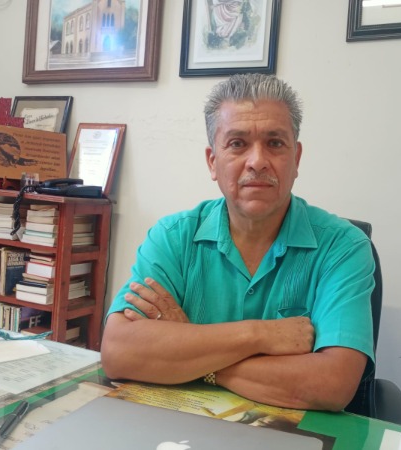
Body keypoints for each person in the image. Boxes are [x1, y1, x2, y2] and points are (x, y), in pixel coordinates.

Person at [101, 73, 375, 412]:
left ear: (297, 158)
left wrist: (191, 354)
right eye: (237, 143)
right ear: (212, 162)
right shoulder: (172, 237)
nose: (257, 161)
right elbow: (118, 352)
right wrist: (259, 335)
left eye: (275, 143)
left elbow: (332, 384)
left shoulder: (344, 247)